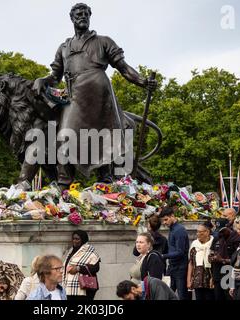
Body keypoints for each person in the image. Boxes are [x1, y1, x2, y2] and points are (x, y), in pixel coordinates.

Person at [32, 3, 157, 188]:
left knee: (103, 136)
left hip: (99, 94)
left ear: (90, 17)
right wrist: (43, 80)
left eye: (86, 14)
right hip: (74, 95)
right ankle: (64, 182)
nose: (82, 16)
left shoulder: (103, 41)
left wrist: (142, 81)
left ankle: (105, 178)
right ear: (72, 18)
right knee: (65, 135)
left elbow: (123, 67)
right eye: (79, 14)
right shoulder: (64, 47)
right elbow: (55, 76)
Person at [158, 206, 190, 300]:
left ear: (172, 216)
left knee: (182, 295)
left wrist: (163, 256)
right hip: (172, 267)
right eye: (163, 221)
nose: (164, 223)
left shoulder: (179, 230)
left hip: (180, 269)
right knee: (166, 294)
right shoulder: (173, 229)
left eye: (166, 220)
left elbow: (180, 252)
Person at [63, 230, 100, 300]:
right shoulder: (72, 251)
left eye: (77, 239)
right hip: (69, 288)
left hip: (84, 289)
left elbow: (96, 268)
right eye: (73, 239)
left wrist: (78, 268)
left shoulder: (90, 252)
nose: (74, 241)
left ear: (83, 239)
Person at [187, 221, 214, 300]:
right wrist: (189, 280)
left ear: (207, 232)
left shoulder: (213, 244)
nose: (198, 234)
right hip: (197, 280)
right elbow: (191, 263)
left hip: (210, 280)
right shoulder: (194, 245)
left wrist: (214, 279)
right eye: (197, 232)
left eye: (200, 232)